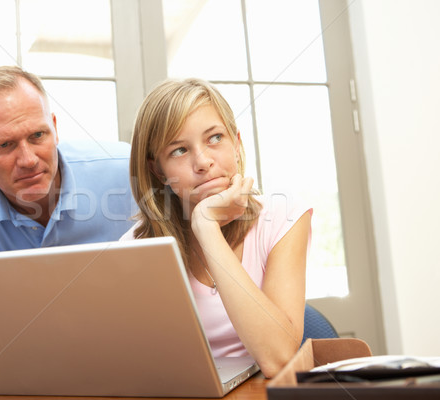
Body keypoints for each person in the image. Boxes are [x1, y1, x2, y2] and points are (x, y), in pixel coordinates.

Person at [122, 78, 312, 378]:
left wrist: (206, 226)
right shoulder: (136, 248)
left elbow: (278, 358)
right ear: (158, 170)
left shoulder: (283, 216)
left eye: (214, 138)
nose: (203, 162)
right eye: (179, 150)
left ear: (236, 144)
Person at [0, 66, 136, 309]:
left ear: (55, 128)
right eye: (5, 145)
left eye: (38, 135)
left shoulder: (128, 171)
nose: (28, 160)